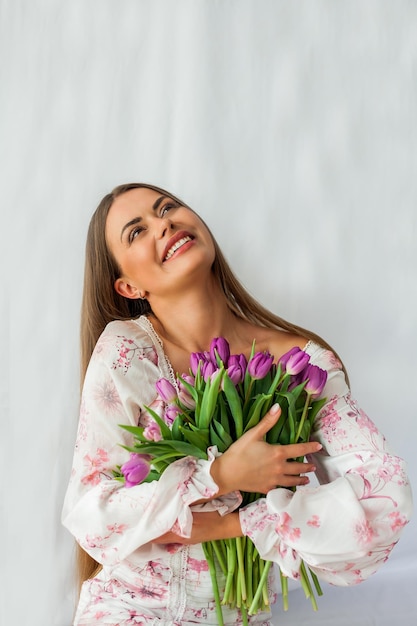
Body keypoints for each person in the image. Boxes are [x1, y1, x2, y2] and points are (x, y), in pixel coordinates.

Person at [62, 182, 412, 626]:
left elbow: (386, 496)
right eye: (137, 231)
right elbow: (94, 514)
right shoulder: (127, 353)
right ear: (129, 286)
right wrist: (224, 477)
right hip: (127, 609)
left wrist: (264, 519)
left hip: (239, 616)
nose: (164, 223)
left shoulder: (301, 364)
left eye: (167, 208)